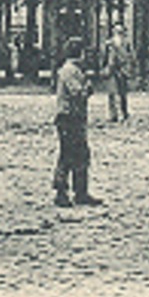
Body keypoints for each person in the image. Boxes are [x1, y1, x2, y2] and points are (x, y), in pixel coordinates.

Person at [53, 37, 99, 208]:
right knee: (68, 155)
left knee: (81, 154)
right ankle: (61, 192)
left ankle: (81, 192)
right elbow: (77, 92)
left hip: (74, 117)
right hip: (68, 117)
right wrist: (87, 87)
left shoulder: (72, 69)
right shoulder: (70, 70)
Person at [102, 23, 135, 122]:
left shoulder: (127, 44)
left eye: (120, 32)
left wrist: (128, 68)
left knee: (123, 93)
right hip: (112, 71)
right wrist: (106, 68)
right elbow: (105, 57)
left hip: (123, 70)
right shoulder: (109, 44)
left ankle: (124, 112)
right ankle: (113, 114)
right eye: (116, 31)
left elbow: (132, 57)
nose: (118, 33)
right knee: (112, 93)